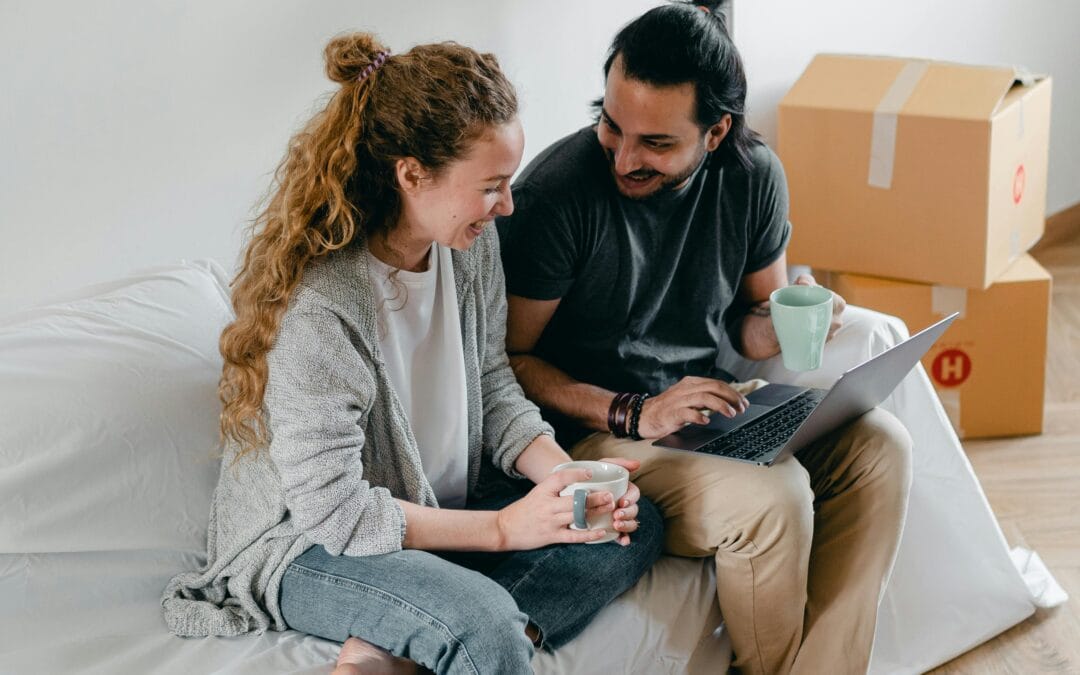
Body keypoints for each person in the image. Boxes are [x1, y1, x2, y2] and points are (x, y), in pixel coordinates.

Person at [161, 33, 664, 675]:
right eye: (491, 186)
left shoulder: (470, 246)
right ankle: (457, 632)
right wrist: (507, 530)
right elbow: (335, 512)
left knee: (626, 526)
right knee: (487, 631)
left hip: (433, 508)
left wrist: (566, 480)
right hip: (313, 547)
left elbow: (493, 380)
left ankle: (405, 657)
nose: (507, 205)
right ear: (412, 174)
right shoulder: (322, 306)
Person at [496, 4, 912, 674]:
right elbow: (507, 363)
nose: (624, 157)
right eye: (610, 122)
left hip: (700, 411)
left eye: (655, 143)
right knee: (775, 501)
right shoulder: (559, 195)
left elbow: (751, 323)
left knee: (883, 447)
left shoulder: (752, 177)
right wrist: (636, 410)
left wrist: (787, 318)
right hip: (595, 435)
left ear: (716, 131)